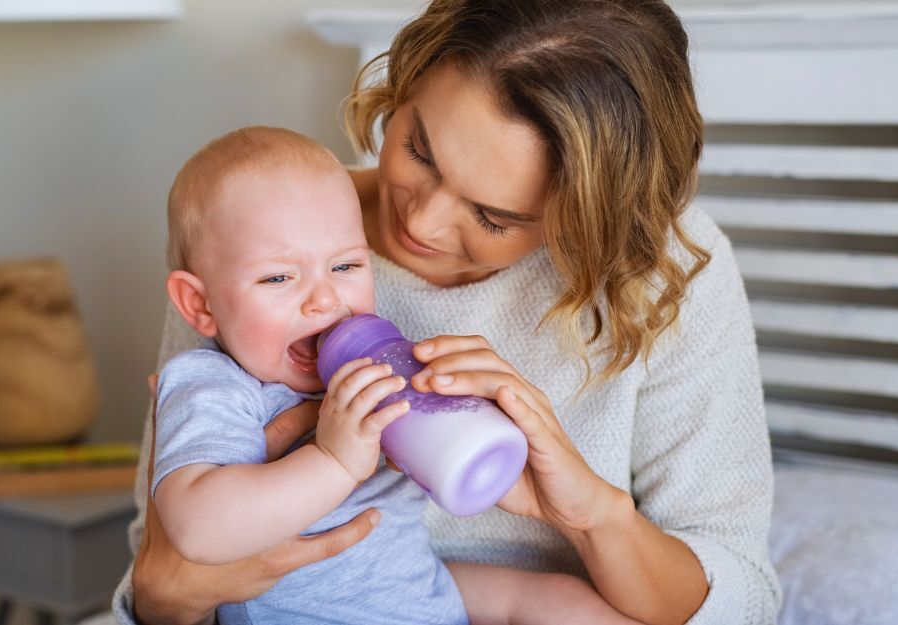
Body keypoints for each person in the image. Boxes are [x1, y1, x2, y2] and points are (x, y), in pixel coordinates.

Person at [115, 1, 783, 624]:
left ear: (588, 218)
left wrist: (591, 515)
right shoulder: (259, 240)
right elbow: (167, 566)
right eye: (419, 149)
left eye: (493, 215)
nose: (423, 221)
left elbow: (741, 593)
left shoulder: (657, 274)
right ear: (404, 85)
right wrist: (161, 593)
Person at [145, 125, 644, 625]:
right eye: (278, 277)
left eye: (345, 266)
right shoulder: (214, 386)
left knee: (559, 600)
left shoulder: (372, 367)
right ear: (199, 304)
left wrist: (456, 413)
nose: (325, 299)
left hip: (423, 592)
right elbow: (196, 530)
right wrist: (333, 461)